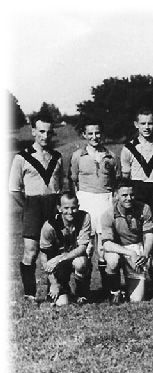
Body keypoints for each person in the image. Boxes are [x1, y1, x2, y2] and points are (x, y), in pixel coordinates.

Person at [9, 112, 64, 302]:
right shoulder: (22, 157)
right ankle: (30, 294)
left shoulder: (57, 157)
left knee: (53, 250)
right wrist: (27, 208)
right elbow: (14, 189)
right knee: (31, 251)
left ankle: (54, 292)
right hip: (32, 205)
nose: (45, 136)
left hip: (53, 206)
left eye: (48, 132)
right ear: (33, 131)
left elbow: (62, 185)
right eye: (41, 131)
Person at [69, 119, 118, 295]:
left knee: (104, 246)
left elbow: (115, 180)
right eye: (90, 133)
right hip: (86, 200)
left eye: (97, 133)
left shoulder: (111, 155)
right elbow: (74, 180)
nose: (94, 137)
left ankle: (108, 288)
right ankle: (83, 292)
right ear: (84, 135)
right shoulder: (78, 156)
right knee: (87, 246)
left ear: (102, 133)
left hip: (105, 200)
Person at [100, 178, 153, 304]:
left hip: (137, 248)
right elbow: (107, 244)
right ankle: (115, 291)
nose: (129, 198)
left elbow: (149, 234)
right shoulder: (108, 214)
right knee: (113, 260)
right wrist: (130, 253)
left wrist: (145, 253)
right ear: (116, 196)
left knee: (137, 299)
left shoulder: (144, 208)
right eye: (124, 195)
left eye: (131, 194)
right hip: (117, 249)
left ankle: (143, 284)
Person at [39, 192, 92, 305]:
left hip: (73, 257)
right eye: (66, 208)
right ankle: (63, 288)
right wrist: (53, 282)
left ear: (78, 206)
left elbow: (82, 247)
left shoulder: (84, 217)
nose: (70, 212)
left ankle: (81, 292)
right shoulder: (49, 226)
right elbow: (44, 257)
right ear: (59, 208)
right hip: (56, 266)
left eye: (73, 208)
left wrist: (61, 257)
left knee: (81, 263)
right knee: (62, 303)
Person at [121, 109, 153, 214]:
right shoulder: (128, 148)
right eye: (143, 123)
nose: (147, 127)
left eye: (150, 123)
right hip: (138, 190)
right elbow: (125, 177)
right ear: (136, 124)